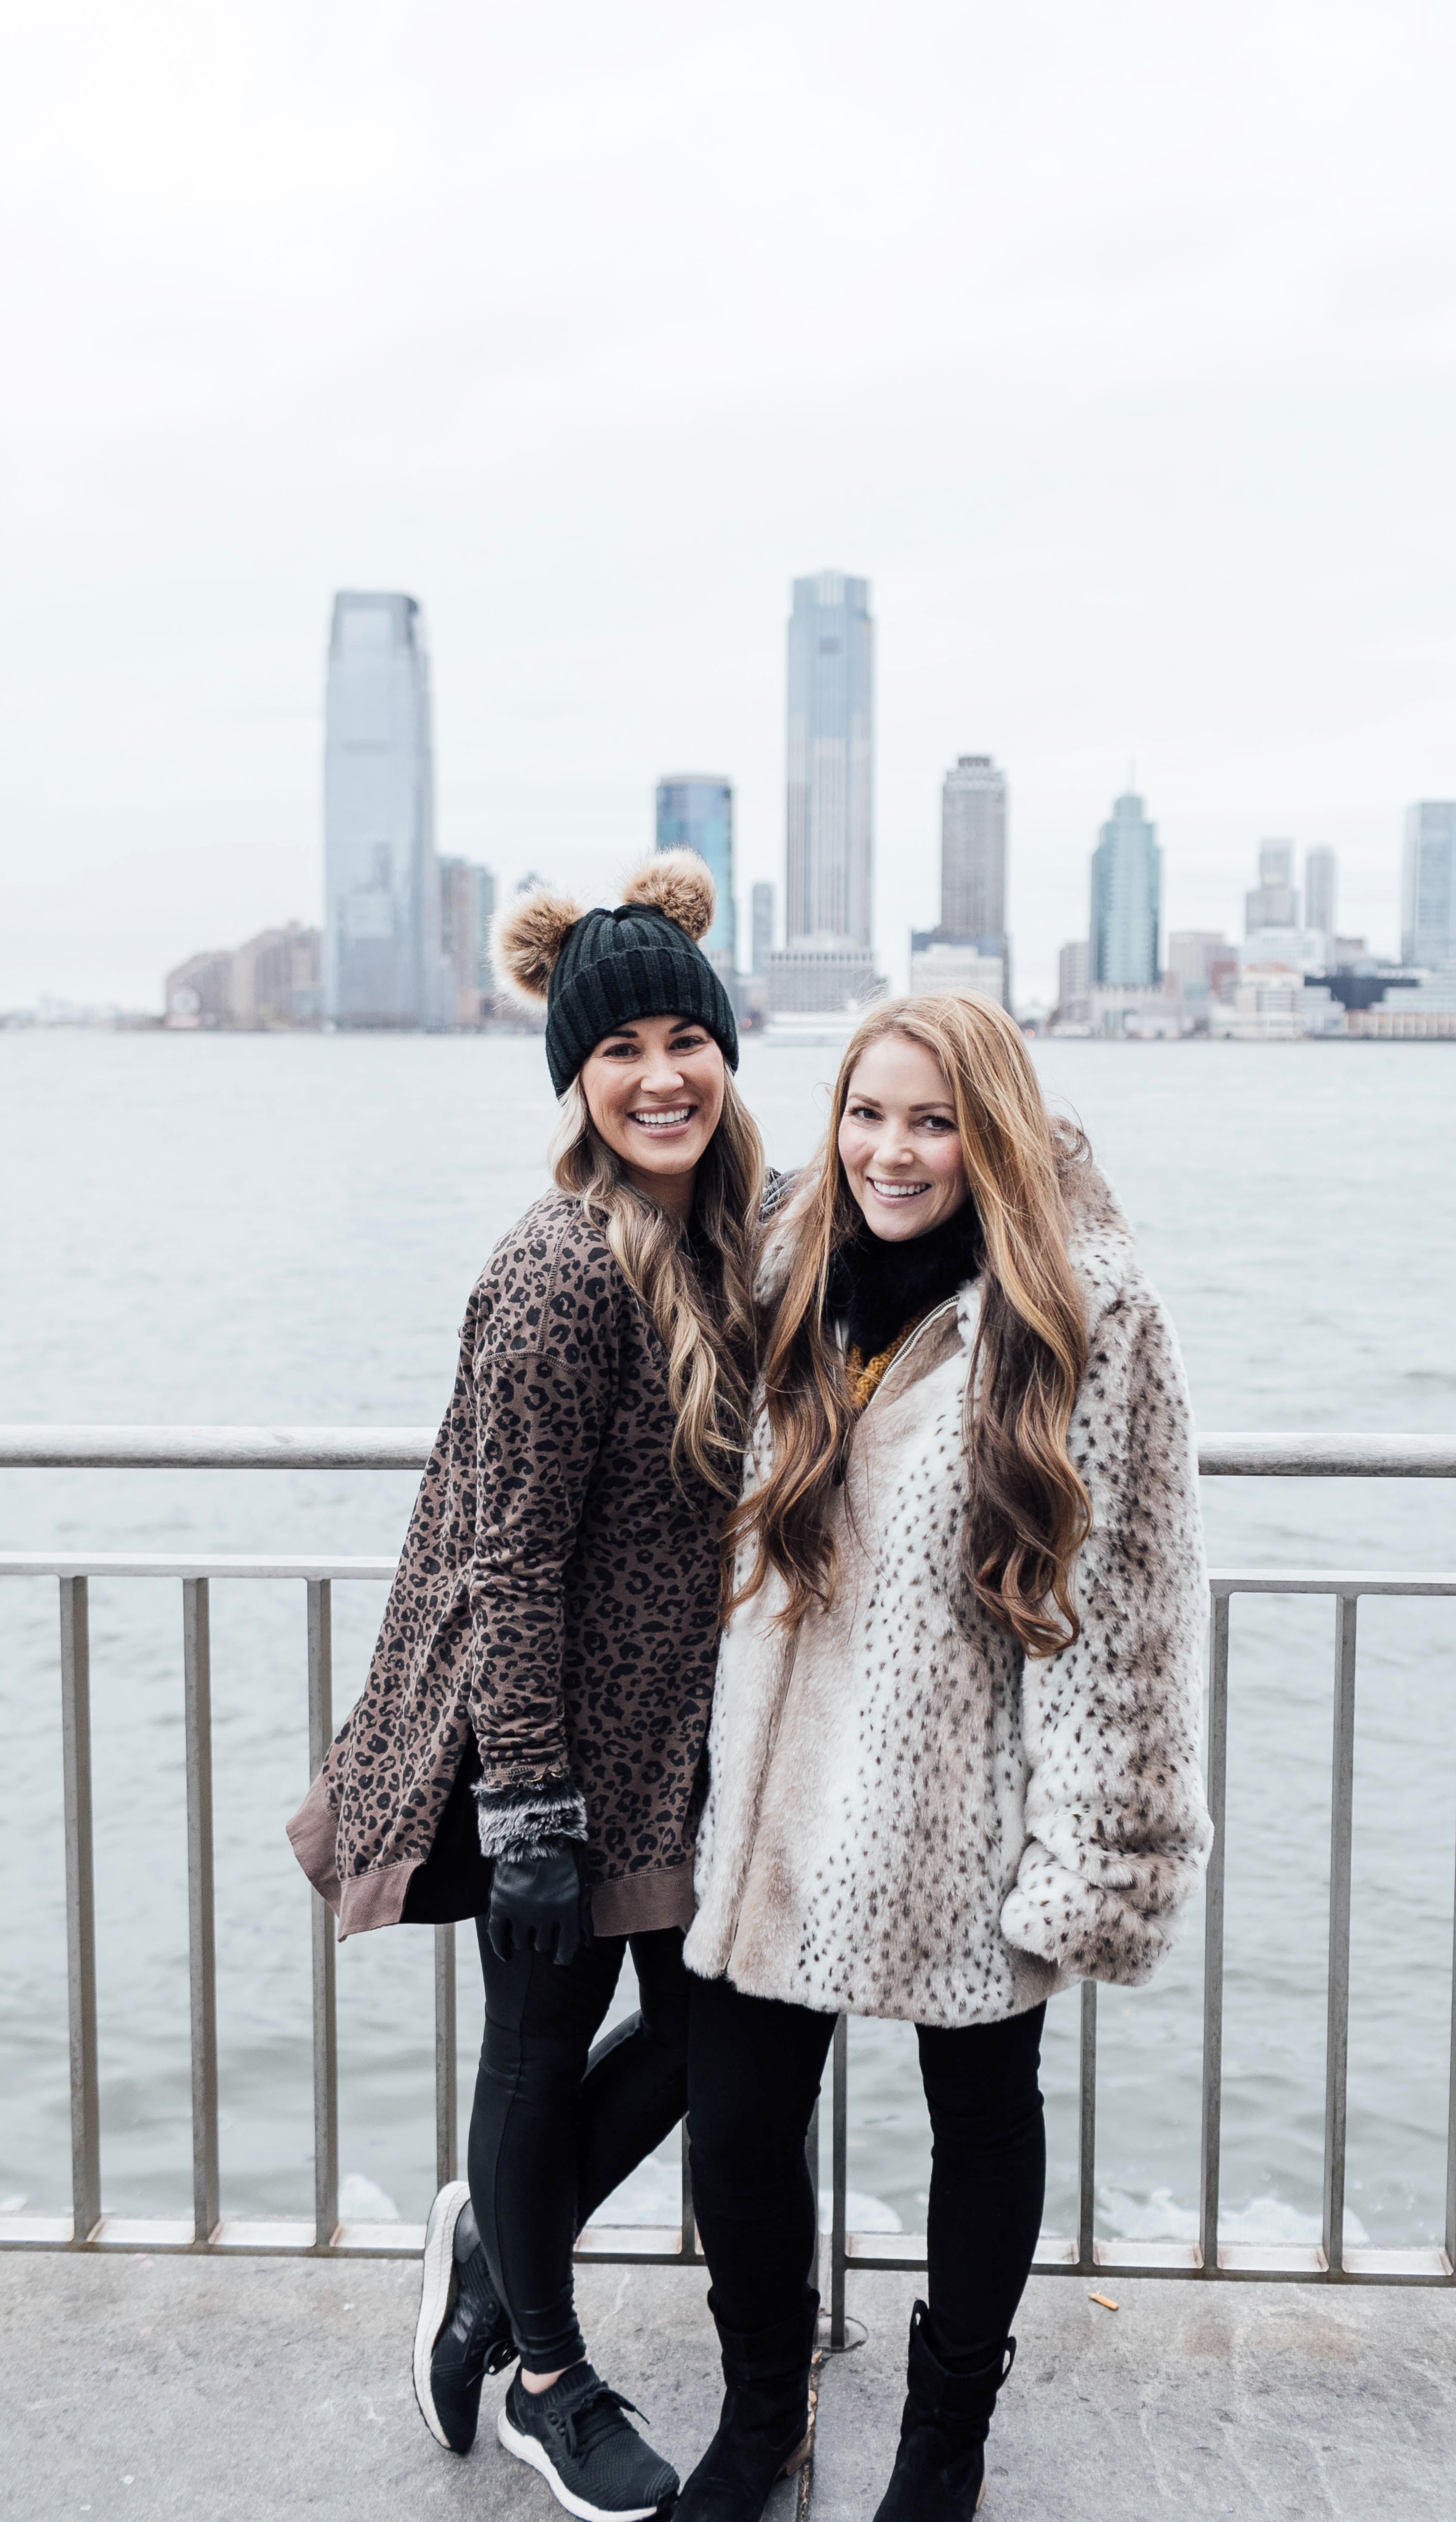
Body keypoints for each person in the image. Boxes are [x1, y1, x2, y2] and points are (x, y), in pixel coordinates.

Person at [678, 991, 1212, 2522]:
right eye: (865, 1113)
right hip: (771, 1803)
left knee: (981, 2124)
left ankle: (943, 2437)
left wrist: (1090, 1860)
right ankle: (762, 2408)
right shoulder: (785, 1265)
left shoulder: (1079, 1308)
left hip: (956, 1809)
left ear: (991, 1131)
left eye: (932, 1120)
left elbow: (1123, 1608)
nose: (891, 1151)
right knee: (733, 2124)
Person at [287, 850, 763, 2520]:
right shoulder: (558, 1270)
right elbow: (508, 1556)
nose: (659, 1075)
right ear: (576, 1077)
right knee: (540, 2041)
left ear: (723, 1050)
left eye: (683, 1040)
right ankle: (546, 2374)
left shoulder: (736, 1241)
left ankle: (497, 2235)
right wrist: (536, 1811)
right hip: (541, 1737)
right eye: (618, 1048)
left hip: (683, 1737)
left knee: (728, 2035)